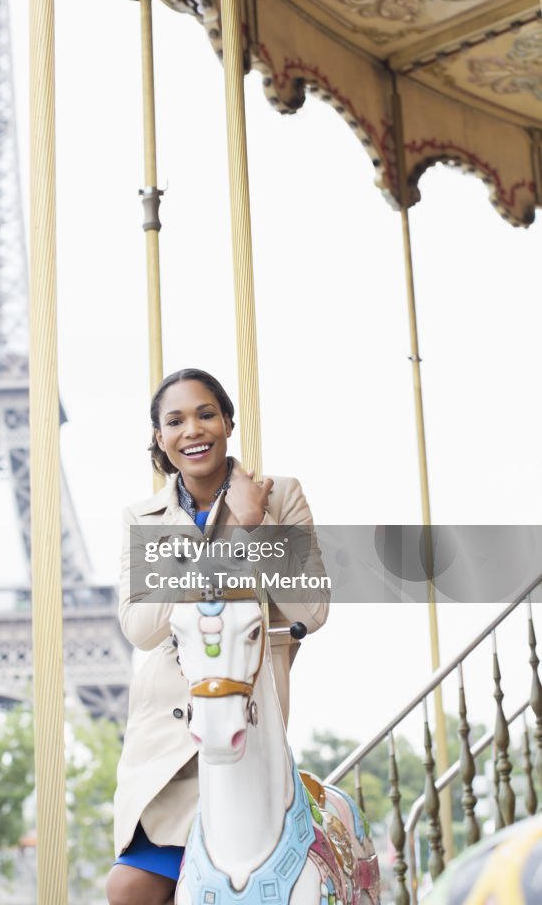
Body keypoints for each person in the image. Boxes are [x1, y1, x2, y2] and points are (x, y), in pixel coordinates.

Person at [106, 368, 329, 905]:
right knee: (129, 889)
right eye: (175, 420)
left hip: (243, 722)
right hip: (170, 745)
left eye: (206, 414)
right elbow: (142, 627)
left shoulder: (282, 497)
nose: (193, 430)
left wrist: (257, 527)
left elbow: (311, 608)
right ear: (159, 438)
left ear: (228, 422)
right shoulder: (143, 518)